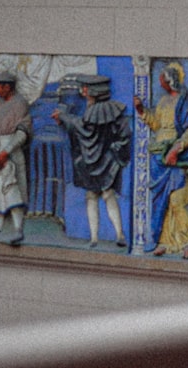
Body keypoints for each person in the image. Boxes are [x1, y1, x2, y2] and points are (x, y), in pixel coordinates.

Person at [52, 75, 130, 247]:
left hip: (95, 160)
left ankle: (99, 237)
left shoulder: (94, 111)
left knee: (95, 196)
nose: (83, 91)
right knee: (105, 196)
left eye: (86, 88)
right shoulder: (113, 110)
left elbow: (82, 128)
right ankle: (115, 234)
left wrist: (64, 117)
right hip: (106, 160)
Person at [134, 62, 188, 258]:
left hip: (175, 157)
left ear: (170, 80)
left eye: (162, 78)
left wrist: (176, 149)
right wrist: (142, 110)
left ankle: (186, 241)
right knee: (161, 201)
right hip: (158, 156)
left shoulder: (183, 102)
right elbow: (156, 125)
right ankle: (164, 242)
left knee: (177, 199)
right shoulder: (162, 102)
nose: (160, 81)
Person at [0, 71, 33, 246]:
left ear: (7, 87)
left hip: (11, 151)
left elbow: (22, 132)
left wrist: (6, 151)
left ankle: (18, 229)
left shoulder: (19, 104)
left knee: (12, 190)